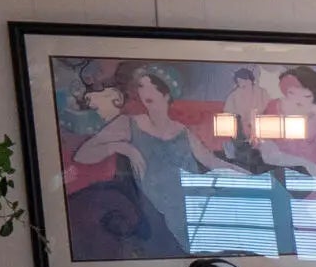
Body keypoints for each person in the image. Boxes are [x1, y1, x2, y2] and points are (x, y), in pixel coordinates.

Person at [73, 64, 229, 255]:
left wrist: (250, 175)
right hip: (164, 205)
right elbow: (83, 154)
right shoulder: (130, 123)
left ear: (167, 94)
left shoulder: (182, 131)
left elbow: (211, 161)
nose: (145, 92)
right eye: (141, 86)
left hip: (196, 197)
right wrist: (123, 147)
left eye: (152, 86)